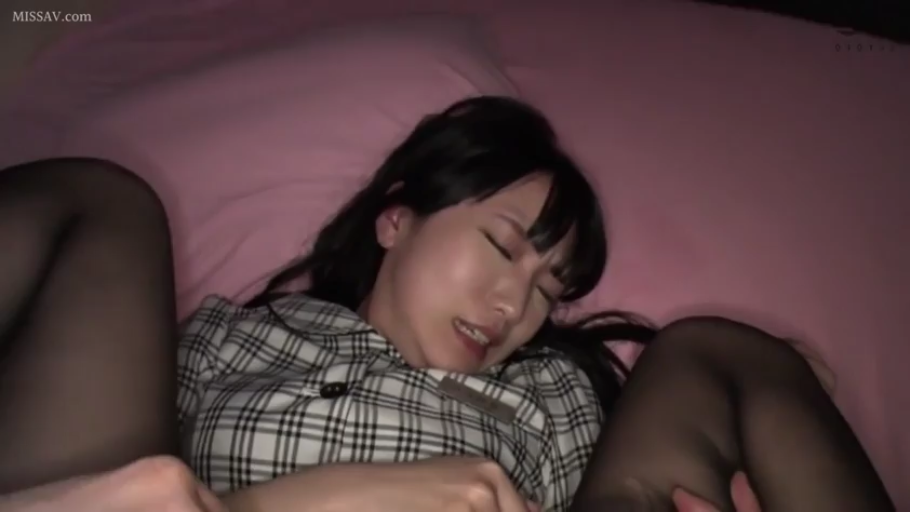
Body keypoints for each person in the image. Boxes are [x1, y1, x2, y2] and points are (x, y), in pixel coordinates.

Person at [0, 96, 894, 512]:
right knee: (104, 205)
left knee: (711, 349)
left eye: (549, 290)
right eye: (503, 247)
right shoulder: (226, 340)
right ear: (397, 219)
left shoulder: (552, 395)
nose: (516, 304)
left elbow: (714, 425)